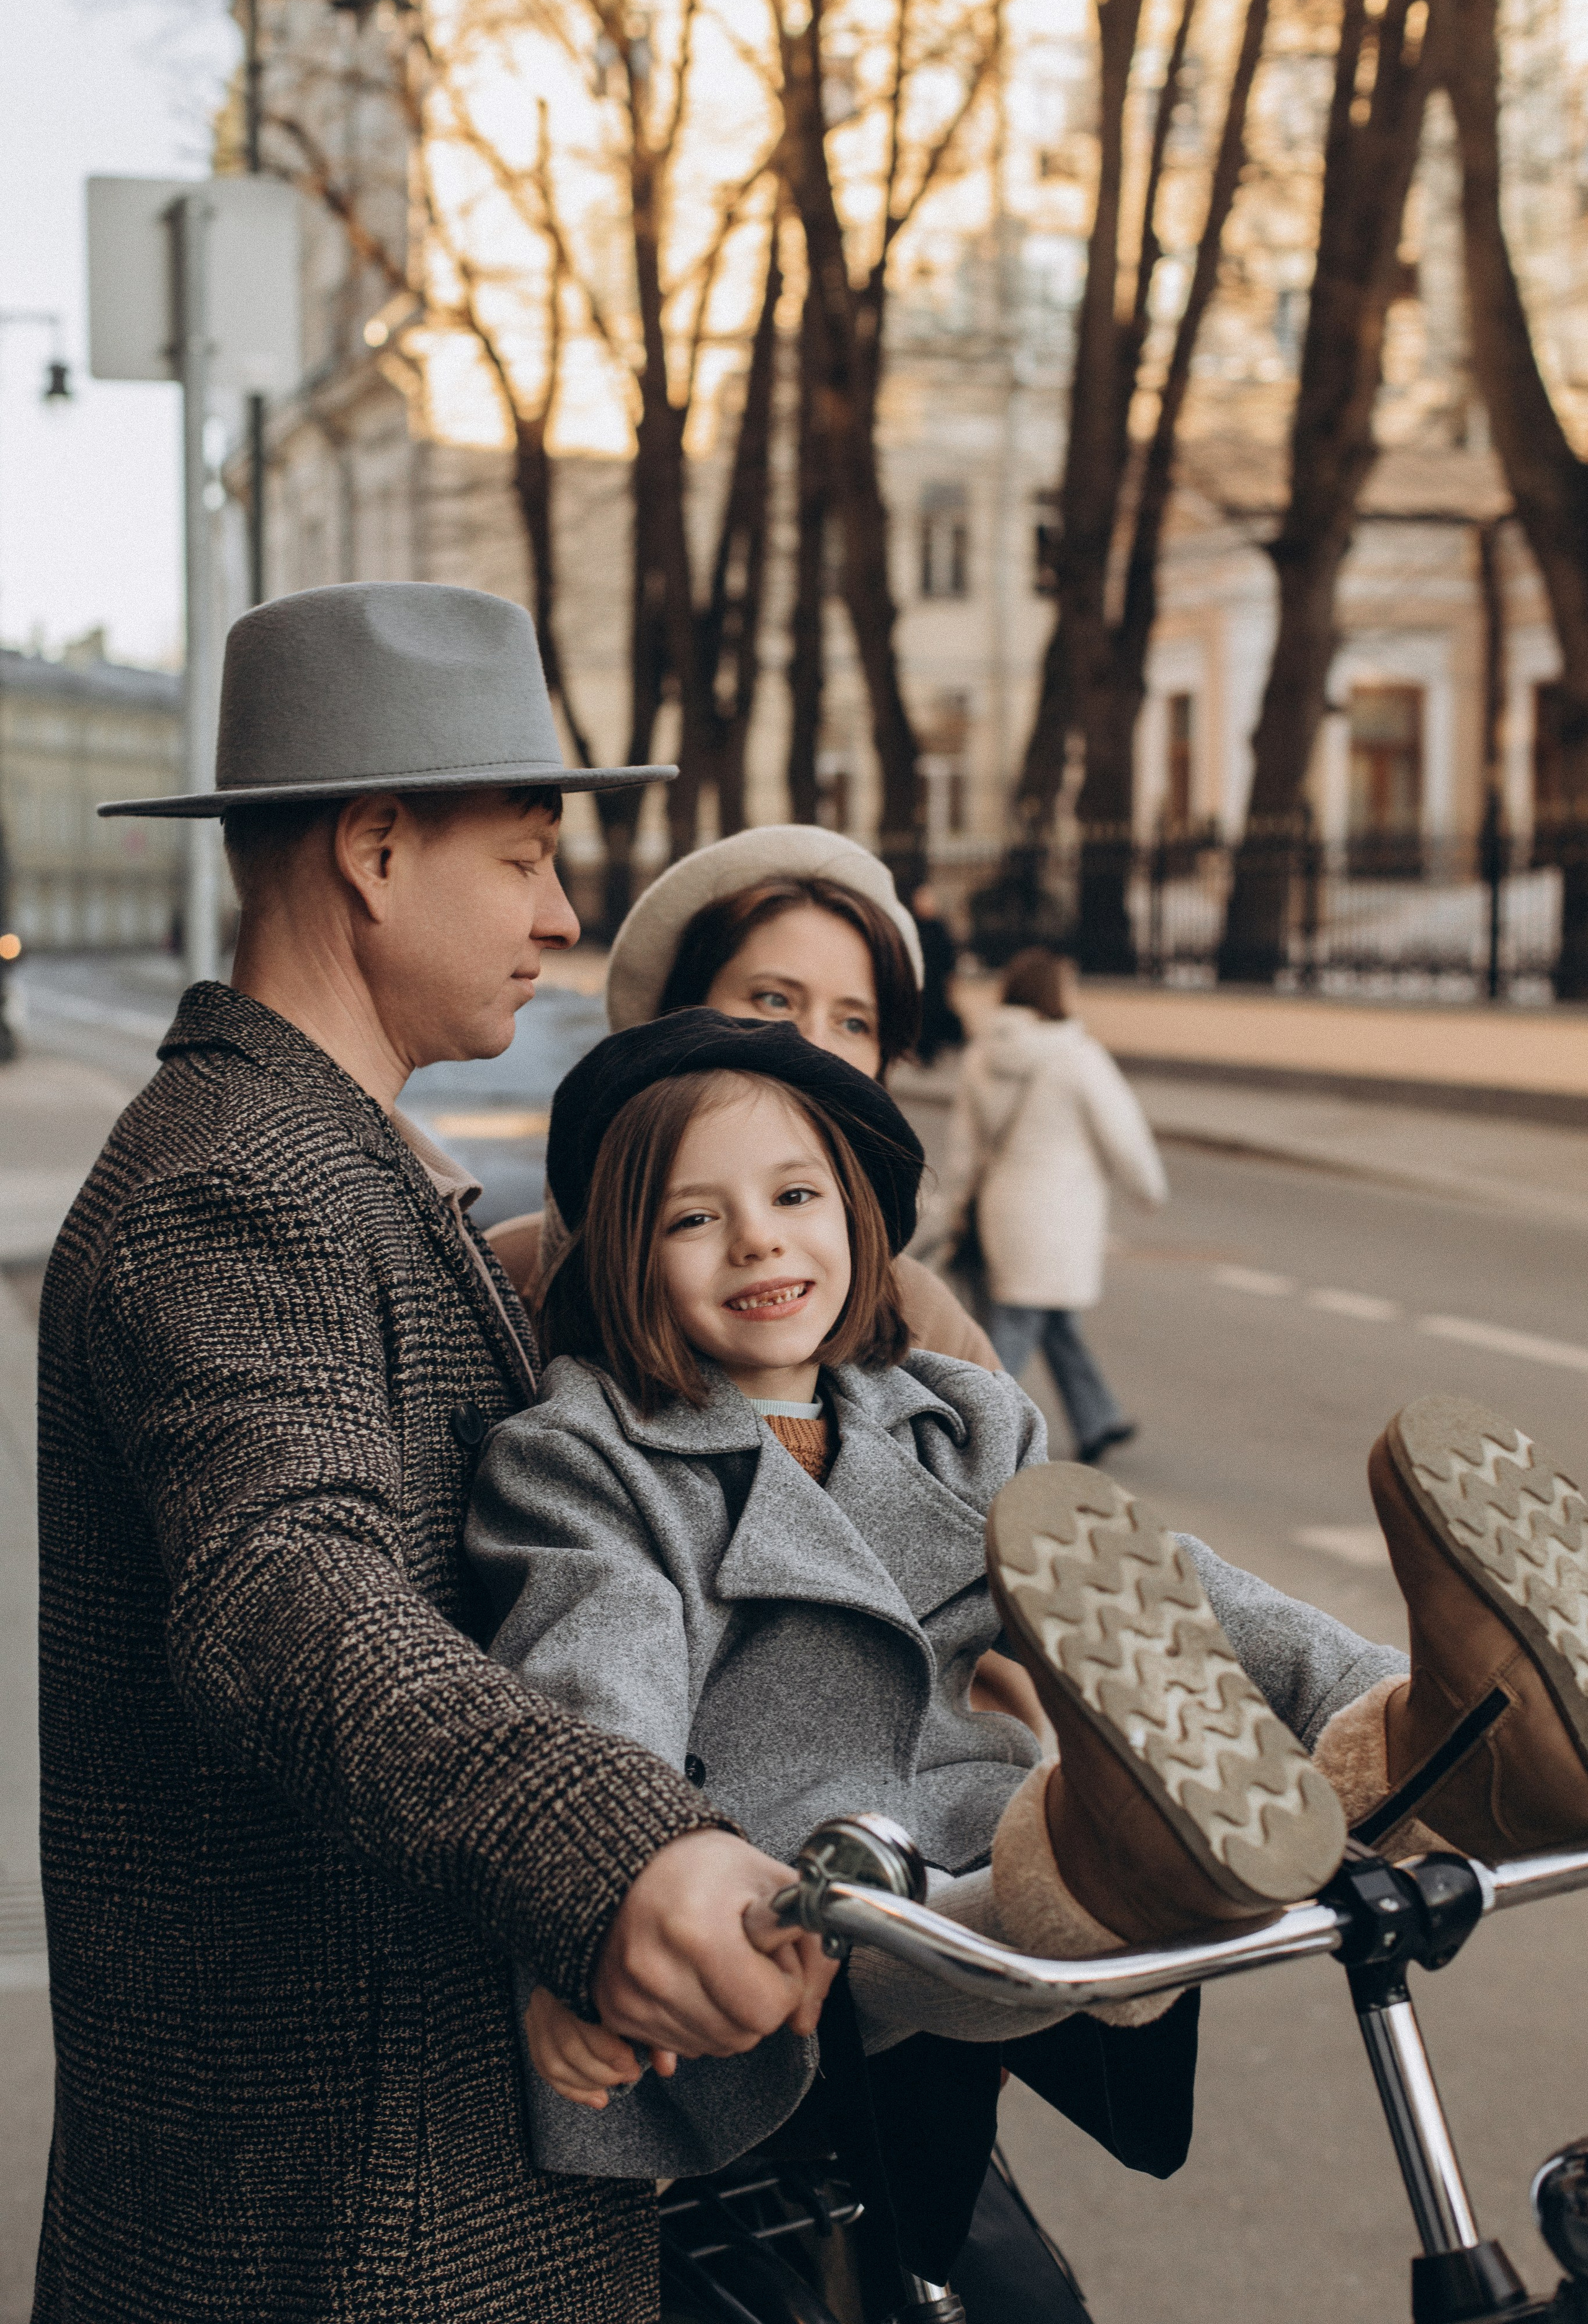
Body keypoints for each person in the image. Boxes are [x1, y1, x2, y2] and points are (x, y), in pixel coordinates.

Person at [465, 1013, 1588, 2289]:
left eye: (795, 1196)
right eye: (691, 1220)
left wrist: (1347, 1682)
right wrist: (597, 1910)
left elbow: (1172, 1598)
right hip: (787, 1899)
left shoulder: (955, 1420)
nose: (759, 1240)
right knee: (992, 1889)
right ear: (621, 1253)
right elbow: (591, 1687)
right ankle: (1132, 1850)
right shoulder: (585, 1455)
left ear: (859, 1220)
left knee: (1192, 1682)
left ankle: (1452, 1739)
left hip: (977, 1814)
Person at [33, 584, 834, 2324]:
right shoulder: (238, 1188)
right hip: (343, 2224)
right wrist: (615, 1850)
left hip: (384, 2197)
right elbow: (282, 1592)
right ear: (377, 847)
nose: (561, 910)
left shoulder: (330, 1158)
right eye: (526, 853)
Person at [486, 824, 1001, 1378]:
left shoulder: (922, 1319)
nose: (813, 1046)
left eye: (855, 1022)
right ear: (678, 1017)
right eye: (775, 999)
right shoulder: (509, 1281)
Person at [921, 944, 1164, 1465]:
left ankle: (1098, 1419)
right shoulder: (1076, 1055)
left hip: (1002, 1211)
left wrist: (961, 1203)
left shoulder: (982, 1054)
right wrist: (1148, 1187)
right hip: (1059, 1216)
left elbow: (965, 1145)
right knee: (1014, 1329)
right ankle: (963, 1433)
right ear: (1054, 993)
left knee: (1050, 1320)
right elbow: (1121, 1130)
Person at [909, 881, 965, 1064]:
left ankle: (931, 1051)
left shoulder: (940, 928)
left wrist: (950, 979)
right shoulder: (912, 926)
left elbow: (949, 956)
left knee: (934, 1016)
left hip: (936, 983)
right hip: (917, 982)